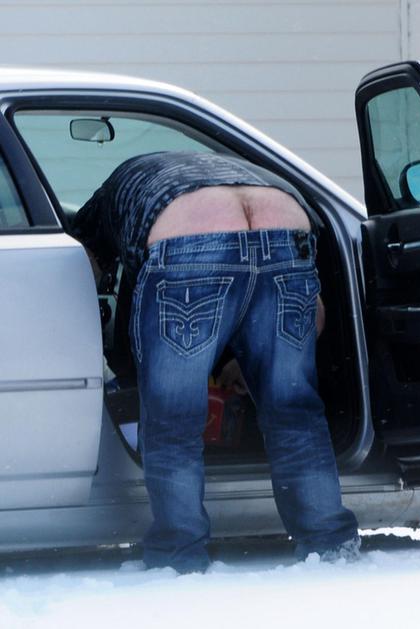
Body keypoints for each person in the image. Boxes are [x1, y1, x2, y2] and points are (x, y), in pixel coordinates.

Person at [73, 150, 359, 573]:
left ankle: (179, 557)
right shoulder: (239, 170)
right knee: (294, 410)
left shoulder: (110, 199)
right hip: (286, 225)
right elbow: (312, 313)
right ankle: (330, 545)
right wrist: (258, 362)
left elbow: (81, 267)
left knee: (174, 421)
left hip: (188, 236)